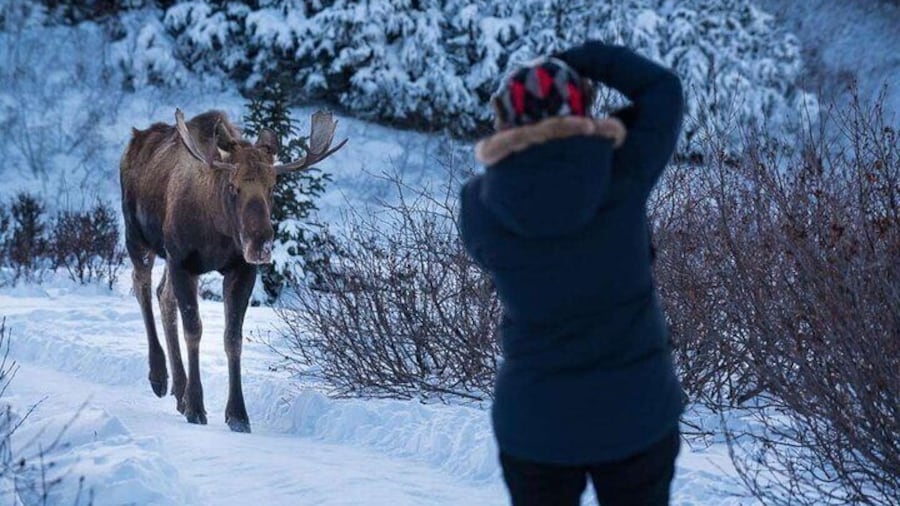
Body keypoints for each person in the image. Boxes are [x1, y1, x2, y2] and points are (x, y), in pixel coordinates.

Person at [458, 41, 685, 506]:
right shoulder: (623, 172)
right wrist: (583, 58)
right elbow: (662, 90)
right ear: (581, 104)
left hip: (535, 423)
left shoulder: (479, 205)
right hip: (635, 414)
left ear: (505, 119)